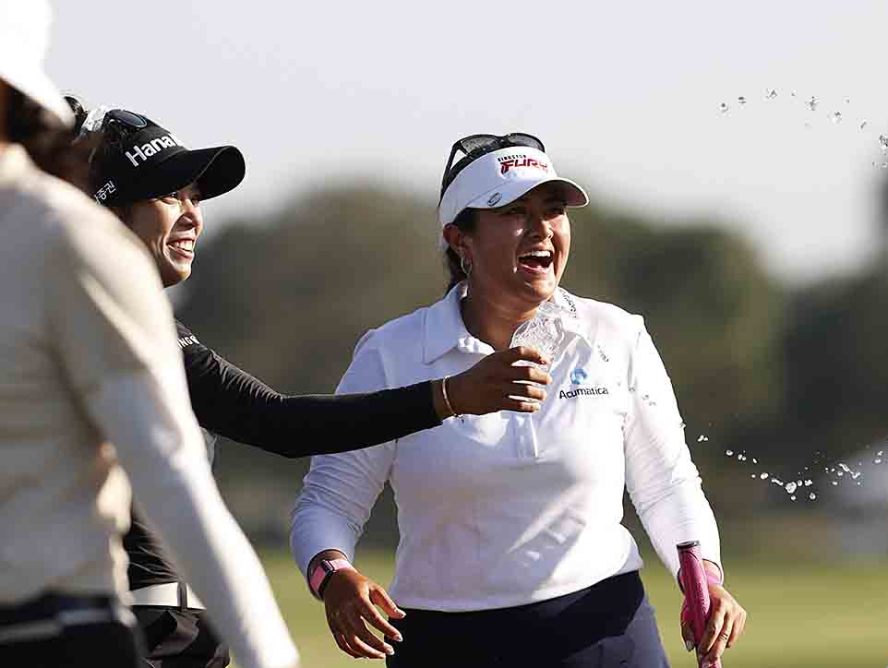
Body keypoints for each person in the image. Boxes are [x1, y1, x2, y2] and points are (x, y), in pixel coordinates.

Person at [68, 101, 552, 668]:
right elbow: (281, 423)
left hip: (173, 636)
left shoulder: (134, 323)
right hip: (123, 638)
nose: (194, 217)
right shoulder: (99, 323)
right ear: (101, 213)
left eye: (196, 198)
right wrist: (449, 397)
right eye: (169, 195)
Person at [291, 133, 748, 667]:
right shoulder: (390, 354)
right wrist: (332, 573)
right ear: (460, 237)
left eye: (553, 211)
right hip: (443, 641)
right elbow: (328, 503)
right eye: (514, 211)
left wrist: (704, 575)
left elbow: (667, 485)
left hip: (603, 629)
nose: (542, 229)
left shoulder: (616, 335)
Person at [0, 2, 299, 668]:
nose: (191, 212)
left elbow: (175, 480)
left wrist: (268, 657)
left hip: (60, 636)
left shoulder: (69, 241)